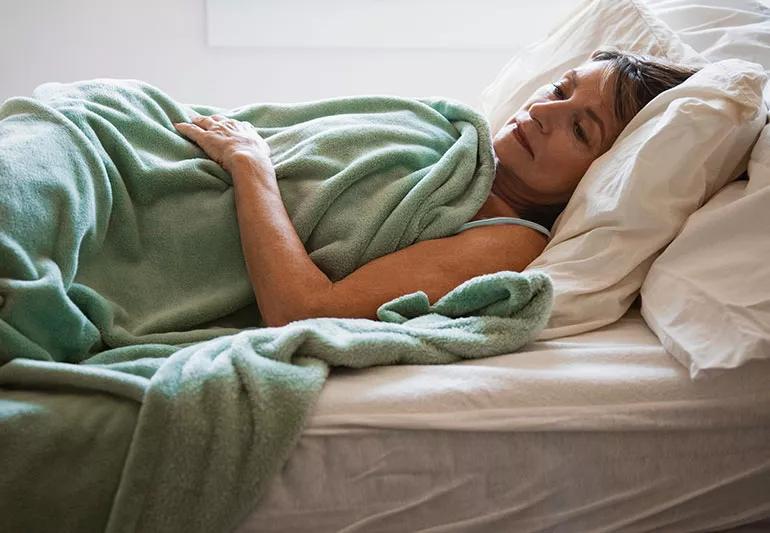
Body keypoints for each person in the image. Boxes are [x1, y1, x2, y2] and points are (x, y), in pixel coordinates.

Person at [173, 49, 700, 327]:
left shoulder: (511, 239)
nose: (542, 111)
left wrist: (251, 164)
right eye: (559, 90)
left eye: (581, 129)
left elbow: (304, 310)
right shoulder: (451, 141)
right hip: (167, 140)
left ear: (604, 172)